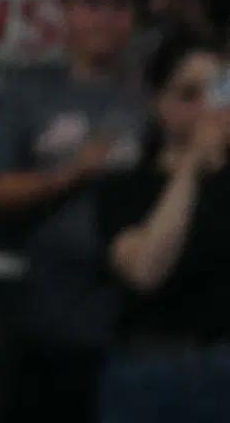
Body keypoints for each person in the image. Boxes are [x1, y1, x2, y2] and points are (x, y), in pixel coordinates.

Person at [0, 0, 145, 422]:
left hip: (127, 313)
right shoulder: (29, 92)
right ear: (67, 10)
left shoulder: (153, 97)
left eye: (118, 6)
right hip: (39, 307)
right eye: (92, 4)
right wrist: (70, 173)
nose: (104, 19)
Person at [96, 34, 230, 423]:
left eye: (217, 94)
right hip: (146, 368)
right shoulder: (125, 186)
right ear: (159, 102)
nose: (205, 109)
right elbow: (144, 270)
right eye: (189, 95)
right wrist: (191, 165)